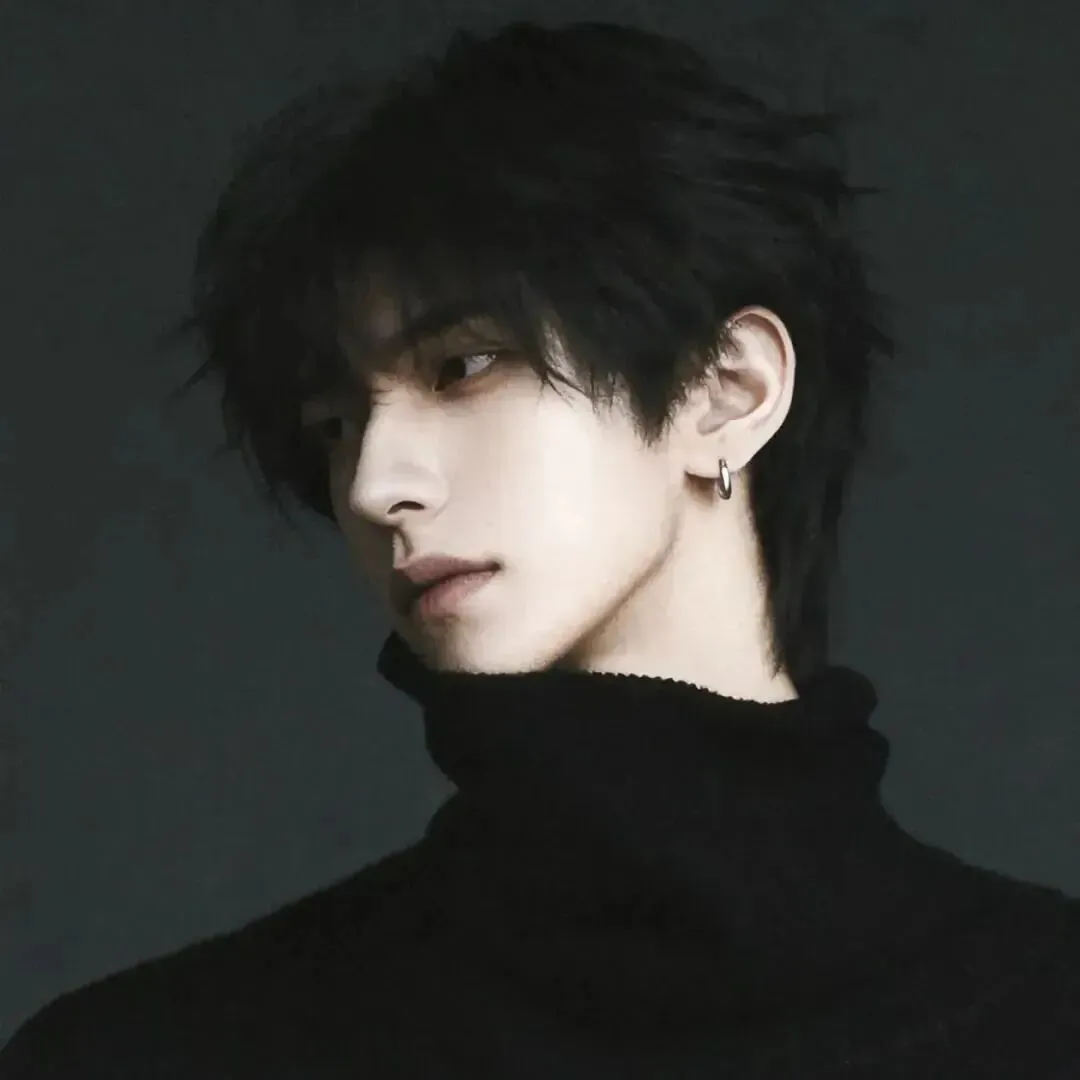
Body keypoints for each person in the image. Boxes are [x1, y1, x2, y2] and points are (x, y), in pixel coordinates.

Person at [4, 19, 1079, 1078]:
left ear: (726, 391)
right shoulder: (141, 1055)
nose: (375, 484)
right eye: (335, 425)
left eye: (464, 367)